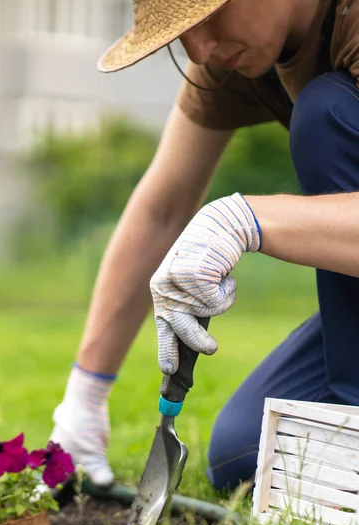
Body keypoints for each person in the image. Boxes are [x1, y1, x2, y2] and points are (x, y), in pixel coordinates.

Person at [49, 0, 359, 492]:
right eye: (183, 32)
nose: (199, 47)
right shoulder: (236, 53)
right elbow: (163, 207)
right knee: (247, 452)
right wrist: (85, 396)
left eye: (209, 15)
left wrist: (247, 220)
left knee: (326, 113)